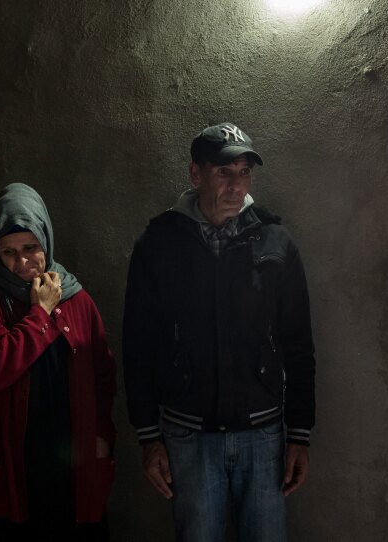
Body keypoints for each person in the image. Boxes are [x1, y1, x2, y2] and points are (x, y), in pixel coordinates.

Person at [123, 122, 316, 541]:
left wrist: (299, 434)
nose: (235, 185)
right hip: (187, 435)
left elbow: (298, 344)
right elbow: (138, 344)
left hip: (263, 435)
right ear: (196, 173)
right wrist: (148, 435)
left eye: (244, 172)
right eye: (223, 172)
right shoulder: (159, 244)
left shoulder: (274, 242)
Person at [0, 183, 117, 541]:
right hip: (9, 458)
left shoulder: (75, 297)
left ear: (46, 240)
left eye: (31, 248)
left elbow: (103, 373)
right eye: (8, 251)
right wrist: (40, 312)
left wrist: (103, 433)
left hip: (65, 455)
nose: (22, 262)